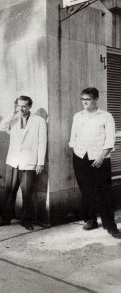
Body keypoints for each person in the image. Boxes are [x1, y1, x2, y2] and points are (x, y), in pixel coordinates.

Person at [68, 87, 121, 239]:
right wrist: (76, 150)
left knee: (104, 192)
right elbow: (74, 136)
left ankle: (110, 226)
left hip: (100, 158)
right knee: (86, 191)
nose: (84, 102)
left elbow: (110, 139)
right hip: (80, 157)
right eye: (82, 99)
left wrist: (101, 157)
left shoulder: (106, 116)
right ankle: (90, 220)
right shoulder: (78, 116)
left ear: (96, 99)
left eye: (88, 99)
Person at [0, 96, 47, 230]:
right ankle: (6, 218)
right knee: (9, 191)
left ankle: (26, 220)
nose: (21, 109)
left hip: (29, 162)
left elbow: (42, 142)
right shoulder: (14, 119)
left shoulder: (39, 121)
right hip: (13, 161)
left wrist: (40, 162)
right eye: (18, 106)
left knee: (27, 193)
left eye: (24, 106)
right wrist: (13, 113)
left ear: (29, 107)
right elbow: (1, 127)